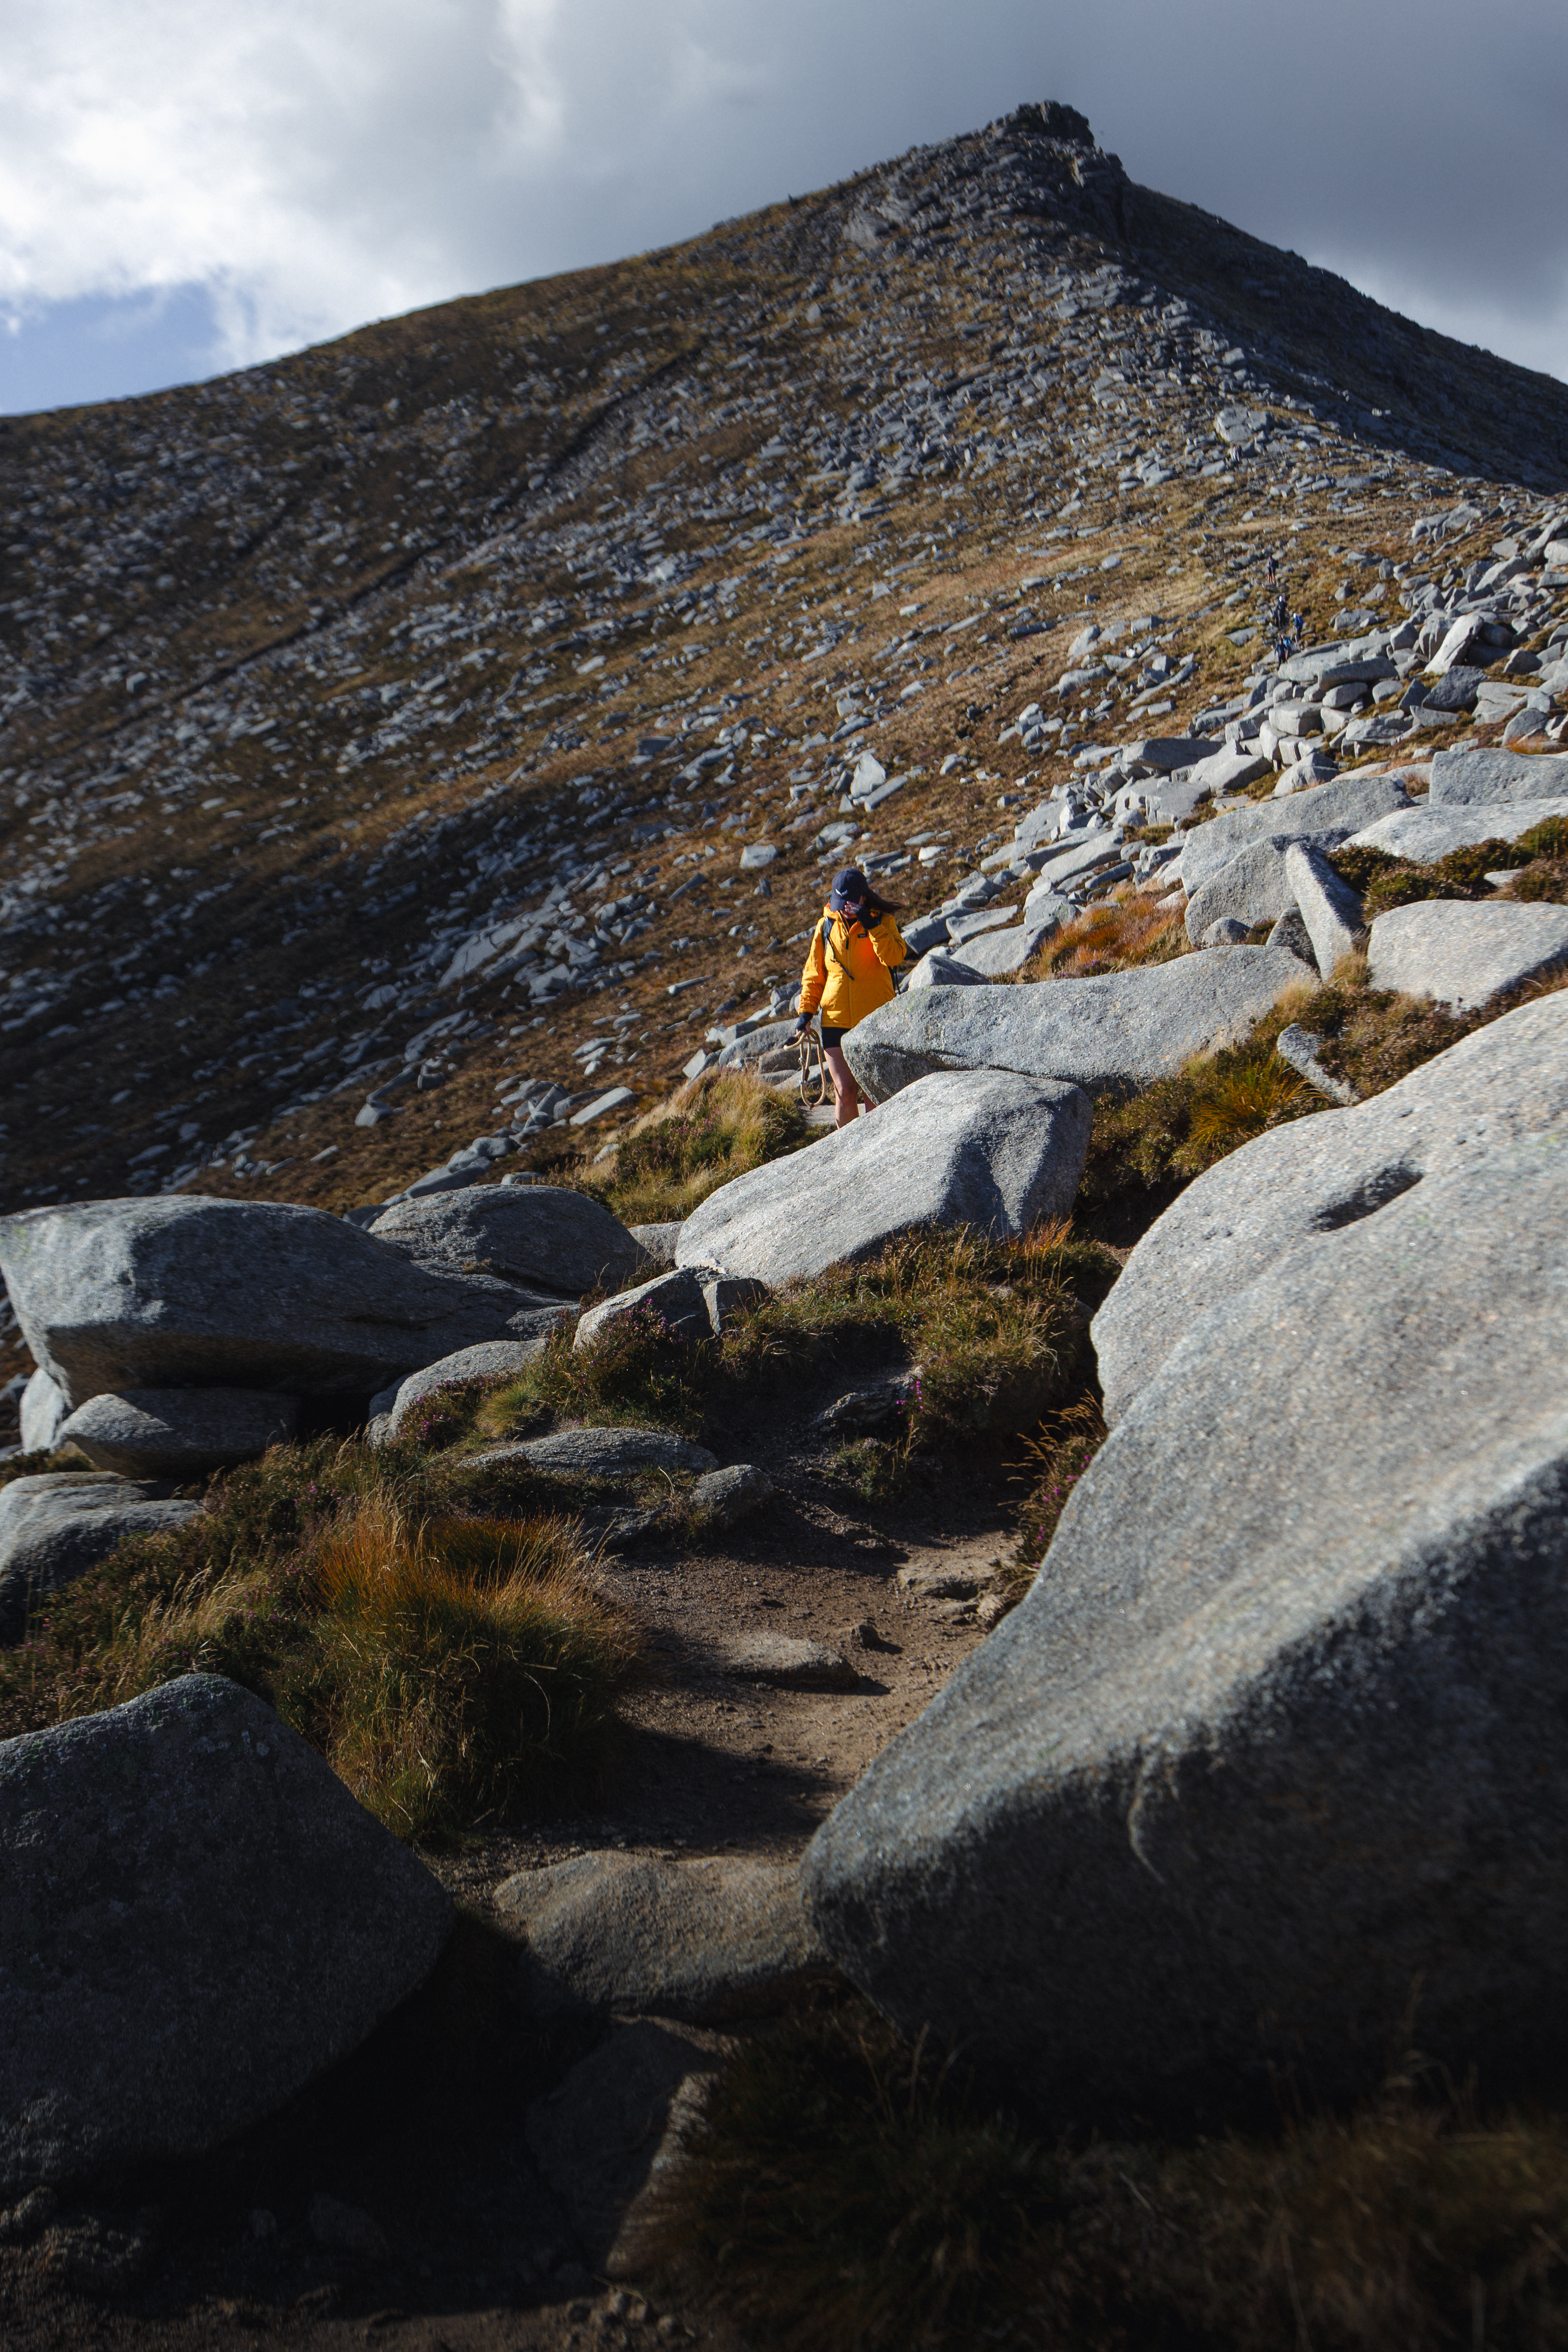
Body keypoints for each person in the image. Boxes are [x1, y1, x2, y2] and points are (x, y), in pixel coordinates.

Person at [794, 867, 906, 1127]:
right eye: (840, 902)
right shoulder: (825, 926)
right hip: (835, 1021)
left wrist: (871, 924)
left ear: (863, 898)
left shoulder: (883, 921)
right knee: (845, 1092)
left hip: (876, 1020)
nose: (844, 908)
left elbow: (894, 957)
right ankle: (847, 1149)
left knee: (873, 1093)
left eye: (850, 903)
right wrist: (806, 1013)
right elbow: (813, 975)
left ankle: (880, 1147)